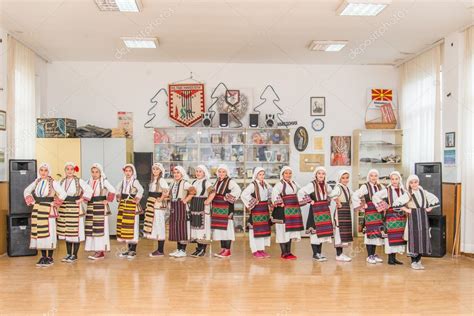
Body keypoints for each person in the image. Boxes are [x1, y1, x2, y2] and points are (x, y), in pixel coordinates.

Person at [24, 163, 67, 267]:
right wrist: (32, 201)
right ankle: (43, 256)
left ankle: (50, 257)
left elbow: (63, 193)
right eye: (41, 170)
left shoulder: (53, 182)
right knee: (39, 232)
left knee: (50, 232)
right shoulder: (37, 181)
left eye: (45, 170)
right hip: (38, 209)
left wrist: (55, 204)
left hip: (48, 210)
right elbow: (26, 190)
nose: (43, 172)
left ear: (49, 172)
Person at [399, 175, 440, 270]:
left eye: (415, 182)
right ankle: (413, 261)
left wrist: (430, 208)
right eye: (411, 182)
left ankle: (418, 260)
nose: (414, 184)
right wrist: (407, 210)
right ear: (409, 184)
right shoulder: (408, 194)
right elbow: (397, 203)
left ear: (418, 182)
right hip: (413, 218)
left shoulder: (423, 192)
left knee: (422, 238)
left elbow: (435, 200)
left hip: (422, 217)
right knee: (414, 238)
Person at [57, 162, 93, 263]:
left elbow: (89, 190)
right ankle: (68, 254)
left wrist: (81, 199)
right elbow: (58, 192)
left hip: (75, 208)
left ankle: (75, 255)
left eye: (71, 169)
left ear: (74, 170)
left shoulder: (79, 181)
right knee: (66, 231)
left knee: (75, 231)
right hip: (64, 207)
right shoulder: (61, 181)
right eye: (67, 169)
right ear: (65, 171)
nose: (69, 171)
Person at [299, 167, 334, 262]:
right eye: (319, 173)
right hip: (315, 210)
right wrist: (310, 201)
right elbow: (301, 192)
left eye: (323, 173)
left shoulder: (326, 185)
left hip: (324, 210)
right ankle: (315, 254)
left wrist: (328, 200)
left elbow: (331, 194)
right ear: (316, 175)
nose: (321, 175)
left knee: (322, 233)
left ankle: (319, 252)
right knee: (315, 232)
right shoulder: (312, 184)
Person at [373, 171, 407, 265]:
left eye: (396, 179)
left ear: (399, 179)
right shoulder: (387, 190)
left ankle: (394, 258)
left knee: (399, 237)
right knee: (390, 236)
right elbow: (375, 196)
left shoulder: (403, 190)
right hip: (391, 216)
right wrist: (385, 205)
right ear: (390, 180)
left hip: (401, 216)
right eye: (392, 179)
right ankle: (390, 259)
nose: (394, 181)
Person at [352, 169, 385, 264]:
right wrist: (362, 205)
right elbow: (355, 195)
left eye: (375, 176)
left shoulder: (380, 186)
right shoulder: (365, 186)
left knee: (376, 233)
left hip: (378, 212)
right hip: (370, 212)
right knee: (370, 233)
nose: (373, 177)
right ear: (368, 177)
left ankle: (373, 255)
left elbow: (386, 196)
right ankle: (369, 256)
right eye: (371, 175)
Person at [271, 166, 304, 260]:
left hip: (293, 211)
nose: (288, 175)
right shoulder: (279, 184)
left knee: (289, 231)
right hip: (283, 210)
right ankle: (283, 253)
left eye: (290, 173)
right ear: (282, 174)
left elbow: (301, 191)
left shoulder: (294, 183)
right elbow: (275, 193)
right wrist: (280, 202)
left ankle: (289, 252)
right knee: (282, 231)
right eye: (286, 173)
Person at [209, 164, 242, 258]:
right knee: (220, 230)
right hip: (217, 209)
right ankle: (223, 249)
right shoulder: (217, 181)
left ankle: (228, 250)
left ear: (227, 172)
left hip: (226, 209)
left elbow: (238, 190)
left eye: (223, 172)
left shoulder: (230, 181)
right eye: (219, 171)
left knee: (227, 230)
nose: (221, 173)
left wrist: (226, 197)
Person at [84, 163, 116, 260]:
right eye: (93, 172)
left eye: (96, 172)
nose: (94, 174)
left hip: (100, 208)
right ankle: (96, 250)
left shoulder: (103, 182)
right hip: (90, 207)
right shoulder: (88, 181)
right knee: (91, 229)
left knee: (100, 228)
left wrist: (108, 200)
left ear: (100, 172)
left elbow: (113, 190)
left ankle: (100, 251)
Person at [241, 167, 272, 259]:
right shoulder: (252, 185)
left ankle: (261, 249)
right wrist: (254, 201)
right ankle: (255, 250)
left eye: (263, 174)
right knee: (254, 230)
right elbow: (244, 194)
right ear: (256, 175)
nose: (262, 176)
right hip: (256, 210)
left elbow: (271, 192)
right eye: (260, 174)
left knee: (263, 230)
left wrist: (270, 201)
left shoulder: (266, 184)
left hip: (264, 210)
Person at [116, 163, 144, 260]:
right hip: (124, 205)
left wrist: (137, 198)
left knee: (133, 227)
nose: (128, 173)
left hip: (132, 207)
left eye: (130, 171)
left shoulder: (135, 182)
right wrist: (118, 196)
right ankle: (128, 249)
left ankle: (133, 250)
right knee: (125, 228)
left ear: (133, 172)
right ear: (124, 172)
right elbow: (117, 190)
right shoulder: (123, 181)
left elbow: (141, 190)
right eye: (126, 171)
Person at [168, 166, 196, 258]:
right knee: (176, 229)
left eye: (178, 173)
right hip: (174, 207)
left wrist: (185, 200)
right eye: (175, 173)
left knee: (182, 228)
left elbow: (193, 191)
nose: (176, 174)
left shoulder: (185, 183)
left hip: (182, 208)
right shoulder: (173, 183)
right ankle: (178, 249)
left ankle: (183, 250)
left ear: (182, 174)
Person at [143, 163, 169, 257]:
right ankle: (159, 249)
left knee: (159, 225)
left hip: (157, 205)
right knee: (155, 225)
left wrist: (161, 199)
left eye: (157, 169)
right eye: (153, 169)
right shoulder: (153, 180)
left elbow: (166, 191)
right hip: (151, 204)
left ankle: (160, 250)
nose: (155, 171)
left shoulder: (161, 180)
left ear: (161, 171)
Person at [189, 165, 213, 257]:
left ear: (204, 173)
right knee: (196, 229)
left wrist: (208, 200)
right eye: (197, 171)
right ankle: (198, 249)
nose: (198, 173)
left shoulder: (206, 182)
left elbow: (213, 192)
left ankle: (202, 250)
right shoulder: (194, 182)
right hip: (195, 207)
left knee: (203, 229)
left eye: (200, 171)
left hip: (203, 208)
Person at [330, 170, 353, 262]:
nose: (345, 180)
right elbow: (332, 195)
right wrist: (338, 202)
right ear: (339, 178)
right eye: (343, 178)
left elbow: (353, 196)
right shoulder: (338, 187)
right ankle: (338, 254)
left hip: (346, 211)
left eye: (347, 178)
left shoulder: (347, 188)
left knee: (344, 232)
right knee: (339, 232)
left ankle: (341, 253)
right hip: (340, 213)